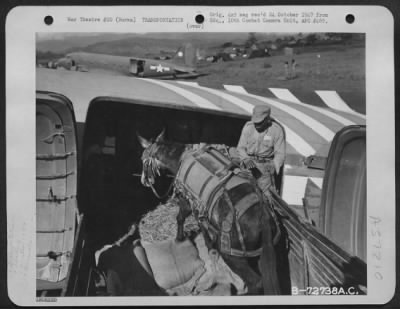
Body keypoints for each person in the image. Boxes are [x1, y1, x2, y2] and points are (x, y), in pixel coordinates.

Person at [237, 105, 286, 195]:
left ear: (267, 119)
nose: (257, 125)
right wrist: (245, 159)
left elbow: (280, 154)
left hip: (265, 169)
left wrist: (273, 167)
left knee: (267, 197)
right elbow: (240, 147)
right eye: (255, 123)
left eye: (259, 123)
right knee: (242, 194)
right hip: (248, 165)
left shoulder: (276, 130)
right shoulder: (248, 127)